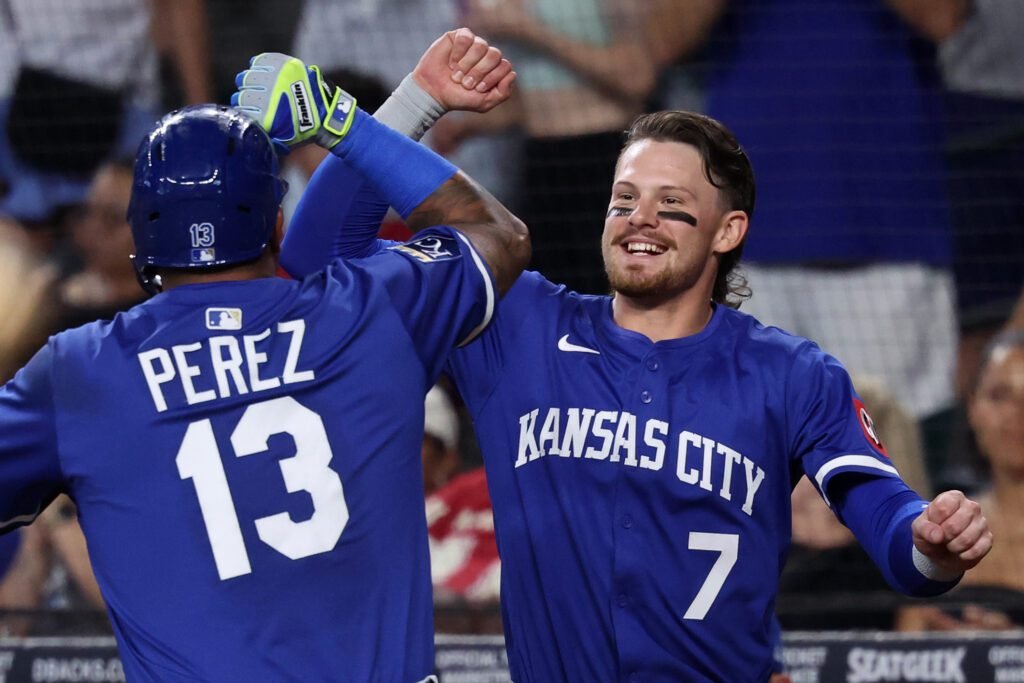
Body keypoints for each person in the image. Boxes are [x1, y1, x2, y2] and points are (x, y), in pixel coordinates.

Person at [267, 43, 994, 676]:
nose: (639, 219)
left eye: (672, 204)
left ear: (727, 230)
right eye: (623, 200)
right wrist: (413, 102)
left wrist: (936, 542)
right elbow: (316, 255)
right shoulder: (513, 320)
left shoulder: (793, 374)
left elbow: (900, 542)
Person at [0, 35, 527, 683]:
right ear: (274, 225)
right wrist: (353, 118)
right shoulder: (363, 315)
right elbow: (497, 234)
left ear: (141, 236)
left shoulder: (81, 371)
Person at [898, 328, 1024, 631]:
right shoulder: (941, 526)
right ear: (972, 409)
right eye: (999, 396)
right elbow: (902, 651)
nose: (1016, 415)